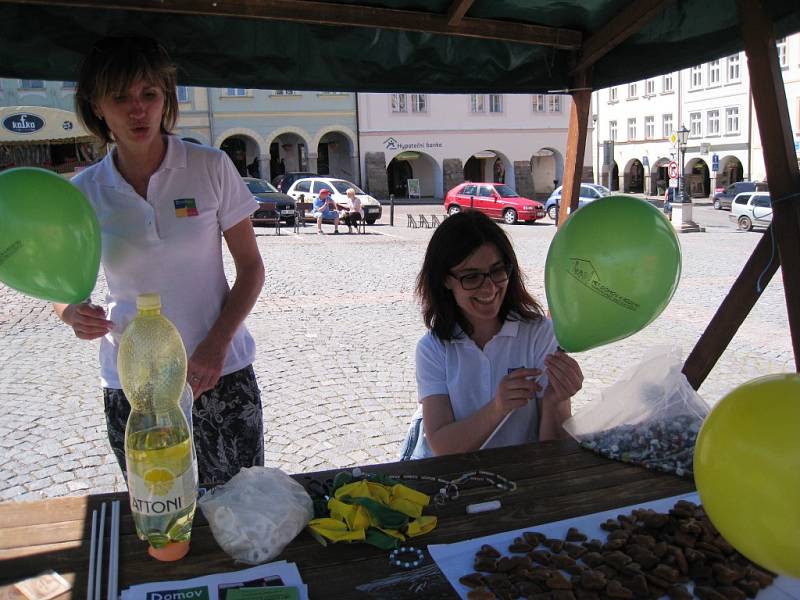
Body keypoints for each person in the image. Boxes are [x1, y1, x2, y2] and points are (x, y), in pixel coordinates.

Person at [53, 36, 266, 485]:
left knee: (243, 510)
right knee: (161, 516)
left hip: (219, 373)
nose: (138, 110)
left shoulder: (209, 166)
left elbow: (251, 268)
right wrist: (71, 312)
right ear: (97, 106)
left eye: (149, 94)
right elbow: (60, 286)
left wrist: (216, 344)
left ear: (165, 99)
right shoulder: (84, 192)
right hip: (134, 384)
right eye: (121, 97)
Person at [400, 210, 583, 460]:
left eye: (497, 271)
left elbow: (554, 455)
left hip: (524, 480)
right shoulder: (433, 349)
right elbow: (442, 445)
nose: (489, 288)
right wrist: (498, 406)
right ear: (445, 280)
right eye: (471, 277)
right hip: (454, 483)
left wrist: (555, 400)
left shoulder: (539, 334)